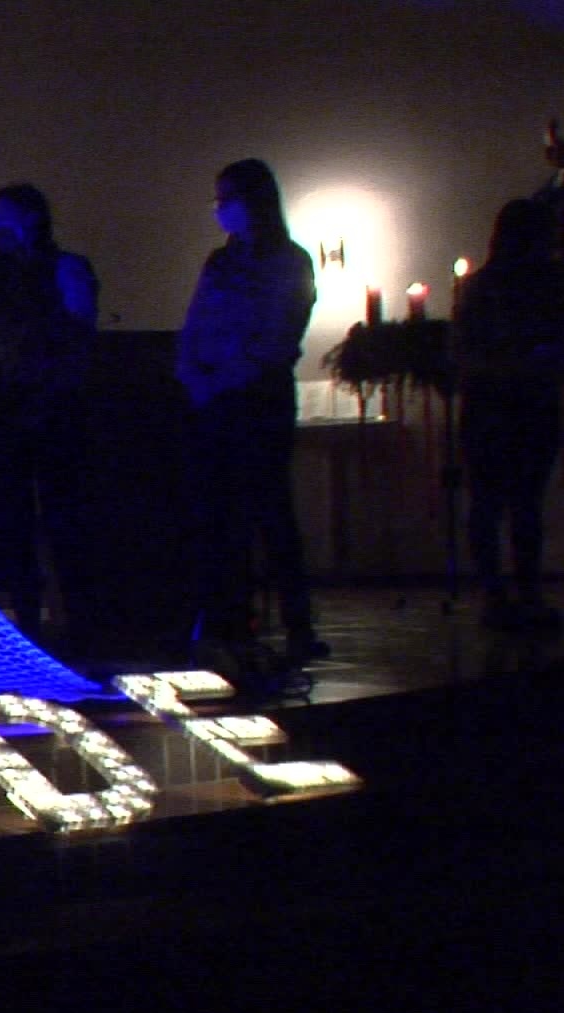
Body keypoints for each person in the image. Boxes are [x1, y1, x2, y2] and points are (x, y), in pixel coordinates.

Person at [176, 158, 324, 667]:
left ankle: (298, 623)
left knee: (271, 510)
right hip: (216, 400)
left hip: (259, 400)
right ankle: (231, 621)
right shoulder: (220, 263)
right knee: (222, 516)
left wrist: (225, 374)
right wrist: (192, 374)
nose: (220, 210)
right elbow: (196, 322)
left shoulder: (290, 262)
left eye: (228, 200)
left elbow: (278, 336)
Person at [0, 183, 99, 644]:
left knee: (63, 517)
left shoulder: (64, 269)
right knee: (10, 520)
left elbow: (80, 335)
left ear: (34, 220)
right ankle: (26, 619)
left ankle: (76, 621)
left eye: (9, 219)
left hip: (54, 410)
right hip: (5, 411)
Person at [452, 197, 564, 630]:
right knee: (520, 505)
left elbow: (464, 348)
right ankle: (521, 594)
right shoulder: (546, 284)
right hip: (522, 402)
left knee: (495, 504)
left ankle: (498, 595)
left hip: (496, 404)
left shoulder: (484, 287)